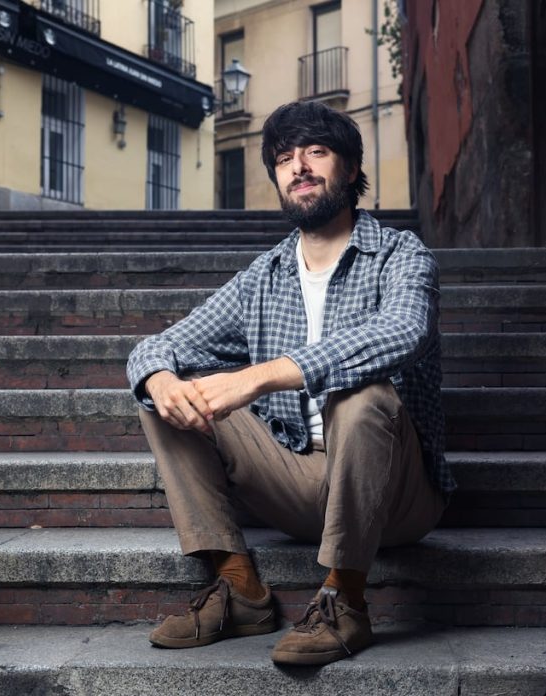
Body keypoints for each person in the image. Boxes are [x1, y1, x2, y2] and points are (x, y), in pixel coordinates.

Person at [126, 100, 455, 666]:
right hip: (296, 482)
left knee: (361, 395)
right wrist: (158, 378)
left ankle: (345, 600)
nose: (298, 167)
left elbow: (405, 330)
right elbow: (158, 347)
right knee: (167, 397)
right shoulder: (264, 277)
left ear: (350, 168)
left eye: (316, 152)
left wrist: (257, 378)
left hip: (396, 496)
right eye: (284, 159)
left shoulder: (400, 254)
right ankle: (239, 588)